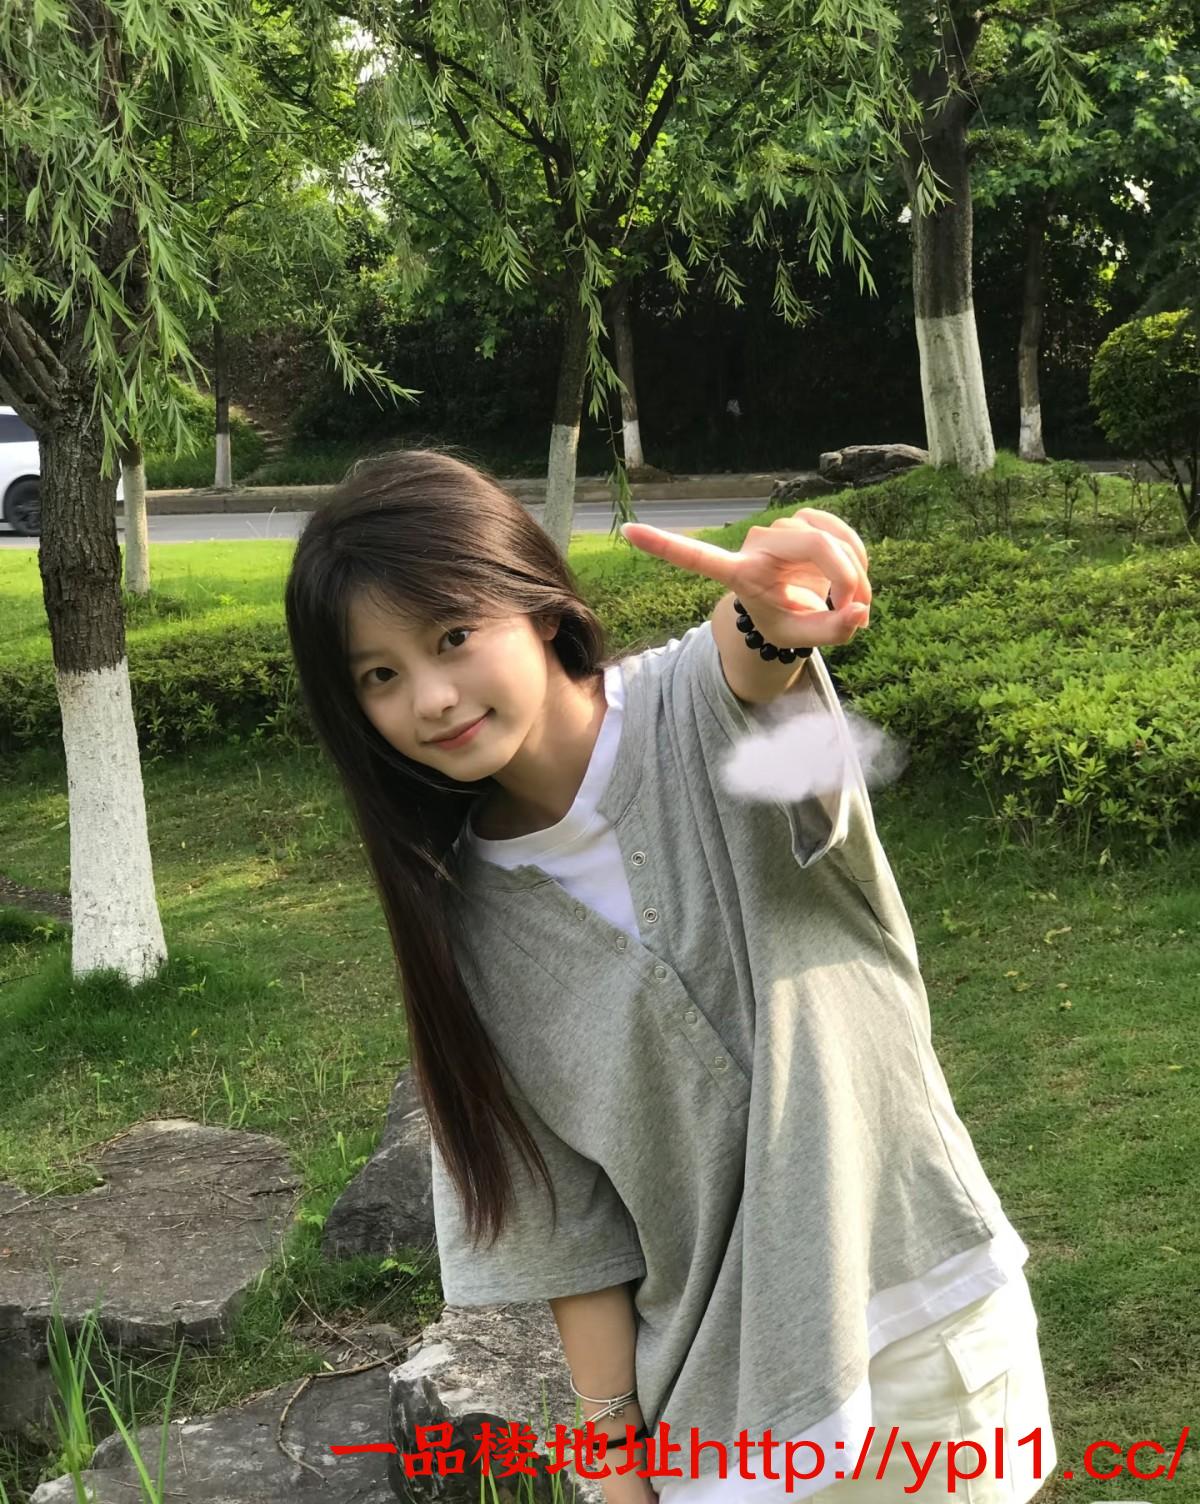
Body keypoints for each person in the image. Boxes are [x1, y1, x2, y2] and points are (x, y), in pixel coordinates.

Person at [283, 448, 1058, 1504]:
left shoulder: (696, 706)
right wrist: (615, 1466)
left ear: (535, 601)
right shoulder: (460, 928)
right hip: (720, 1419)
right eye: (379, 675)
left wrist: (782, 603)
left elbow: (756, 657)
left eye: (452, 635)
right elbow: (574, 1225)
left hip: (917, 1327)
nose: (430, 696)